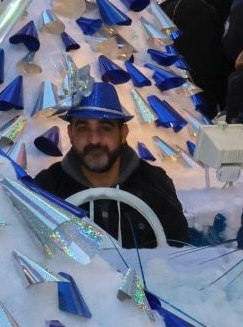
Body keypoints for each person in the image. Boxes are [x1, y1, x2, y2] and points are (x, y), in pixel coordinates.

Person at [29, 82, 187, 248]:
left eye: (105, 128)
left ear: (123, 134)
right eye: (83, 128)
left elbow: (179, 258)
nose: (94, 139)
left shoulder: (155, 184)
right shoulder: (48, 188)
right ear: (71, 134)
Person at [171, 0, 227, 100]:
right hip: (206, 62)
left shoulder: (171, 9)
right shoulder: (208, 9)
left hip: (181, 61)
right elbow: (219, 31)